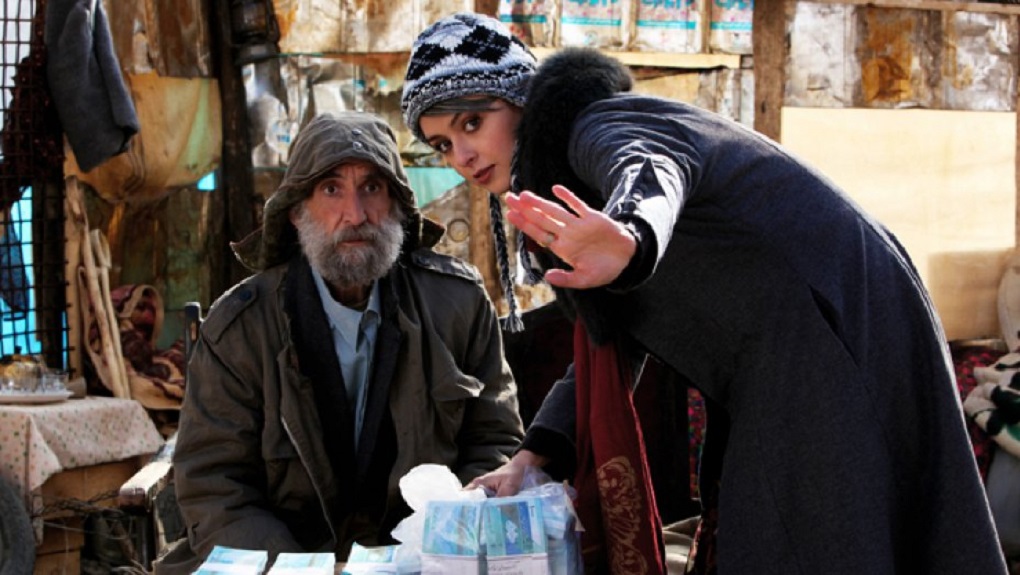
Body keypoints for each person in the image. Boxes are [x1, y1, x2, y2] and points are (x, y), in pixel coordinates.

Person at [401, 12, 1009, 575]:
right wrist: (531, 457)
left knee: (815, 541)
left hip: (837, 322)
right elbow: (607, 343)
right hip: (788, 351)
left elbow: (650, 171)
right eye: (442, 144)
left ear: (522, 99)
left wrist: (633, 237)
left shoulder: (605, 124)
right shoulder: (570, 190)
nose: (463, 156)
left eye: (472, 122)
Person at [154, 111, 524, 573]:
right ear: (297, 211)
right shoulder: (240, 328)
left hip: (423, 557)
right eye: (332, 190)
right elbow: (214, 486)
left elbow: (495, 441)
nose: (356, 214)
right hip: (279, 562)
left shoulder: (457, 304)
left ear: (397, 206)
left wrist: (444, 538)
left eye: (372, 187)